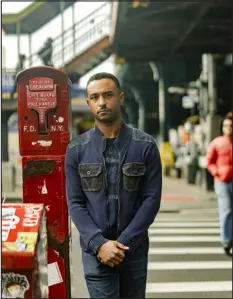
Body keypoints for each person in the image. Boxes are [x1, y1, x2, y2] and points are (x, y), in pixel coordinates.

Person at [65, 72, 162, 298]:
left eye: (108, 95)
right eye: (95, 97)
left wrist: (125, 242)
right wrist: (100, 244)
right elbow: (75, 203)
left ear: (120, 97)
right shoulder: (76, 149)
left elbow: (151, 199)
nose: (102, 102)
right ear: (88, 103)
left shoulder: (145, 145)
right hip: (95, 251)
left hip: (134, 249)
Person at [206, 114, 232, 256]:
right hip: (222, 181)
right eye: (226, 126)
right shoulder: (217, 142)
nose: (229, 128)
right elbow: (209, 161)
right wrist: (217, 172)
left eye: (231, 126)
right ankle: (226, 240)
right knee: (226, 210)